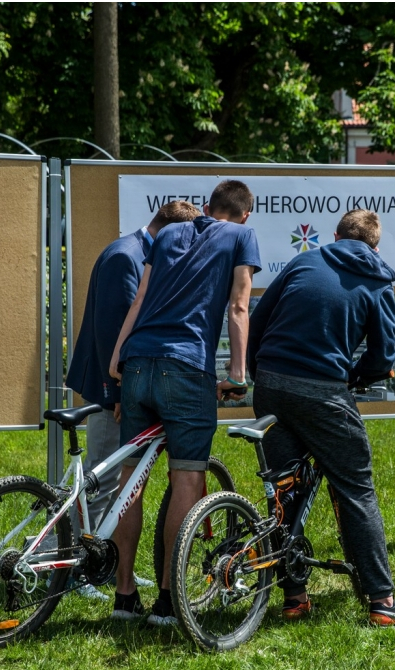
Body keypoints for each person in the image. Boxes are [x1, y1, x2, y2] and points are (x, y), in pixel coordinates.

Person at [247, 208, 395, 626]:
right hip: (324, 391)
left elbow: (258, 322)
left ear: (336, 234)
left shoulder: (304, 260)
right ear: (375, 246)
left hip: (271, 384)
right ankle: (382, 602)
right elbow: (382, 357)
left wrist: (260, 375)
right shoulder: (379, 282)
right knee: (356, 488)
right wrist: (355, 377)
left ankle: (294, 598)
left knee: (284, 490)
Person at [108, 179, 261, 625]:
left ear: (208, 207)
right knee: (188, 481)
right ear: (245, 215)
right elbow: (238, 307)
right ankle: (169, 601)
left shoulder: (172, 231)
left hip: (137, 363)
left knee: (131, 479)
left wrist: (119, 356)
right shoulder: (243, 236)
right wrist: (236, 374)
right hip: (186, 368)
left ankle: (123, 595)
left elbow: (140, 297)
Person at [65, 200, 200, 605]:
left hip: (124, 386)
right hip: (113, 391)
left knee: (116, 485)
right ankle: (78, 570)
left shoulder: (137, 252)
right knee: (100, 483)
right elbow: (114, 331)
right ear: (170, 231)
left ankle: (108, 567)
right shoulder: (126, 257)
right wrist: (121, 393)